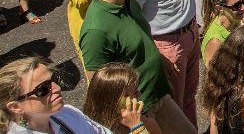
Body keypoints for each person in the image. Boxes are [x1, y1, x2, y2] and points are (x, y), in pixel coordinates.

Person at [79, 0, 195, 133]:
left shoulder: (128, 0)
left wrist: (161, 61)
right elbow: (99, 86)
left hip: (159, 94)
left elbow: (141, 38)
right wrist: (133, 122)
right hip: (140, 111)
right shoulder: (96, 30)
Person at [0, 57, 147, 134]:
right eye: (43, 89)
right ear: (15, 107)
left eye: (55, 79)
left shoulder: (68, 113)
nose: (57, 88)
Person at [83, 63, 162, 134]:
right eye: (134, 92)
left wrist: (141, 121)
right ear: (115, 101)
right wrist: (137, 127)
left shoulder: (140, 119)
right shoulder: (96, 129)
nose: (139, 94)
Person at [200, 0, 244, 65]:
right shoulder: (216, 41)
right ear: (219, 8)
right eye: (237, 5)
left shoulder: (233, 19)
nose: (243, 8)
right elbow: (213, 72)